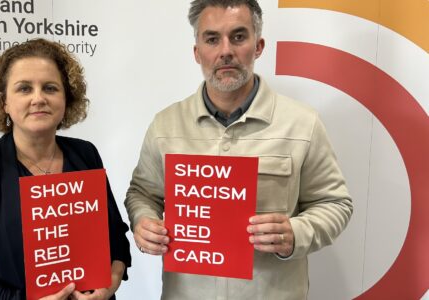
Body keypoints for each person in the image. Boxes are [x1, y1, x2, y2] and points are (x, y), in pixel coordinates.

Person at [125, 0, 353, 299]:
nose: (225, 51)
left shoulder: (302, 124)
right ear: (197, 52)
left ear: (258, 46)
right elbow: (142, 192)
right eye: (211, 39)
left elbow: (335, 203)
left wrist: (296, 233)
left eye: (238, 36)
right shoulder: (165, 125)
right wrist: (143, 222)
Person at [0, 38, 131, 300]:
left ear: (66, 97)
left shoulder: (85, 154)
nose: (38, 98)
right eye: (24, 89)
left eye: (50, 88)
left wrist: (110, 284)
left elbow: (116, 239)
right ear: (4, 101)